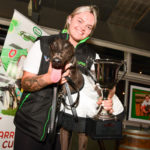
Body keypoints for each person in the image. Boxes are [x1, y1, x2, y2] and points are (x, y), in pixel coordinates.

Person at [13, 5, 124, 150]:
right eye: (79, 21)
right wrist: (48, 78)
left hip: (63, 130)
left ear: (90, 32)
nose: (83, 27)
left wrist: (108, 97)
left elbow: (106, 84)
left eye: (89, 26)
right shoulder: (44, 44)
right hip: (31, 125)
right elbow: (26, 83)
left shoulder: (92, 56)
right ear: (69, 19)